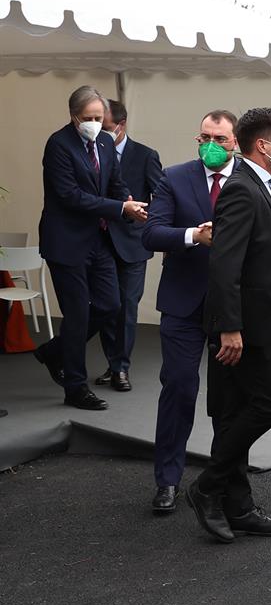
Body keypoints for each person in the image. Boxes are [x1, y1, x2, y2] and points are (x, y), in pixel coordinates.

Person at [185, 107, 271, 544]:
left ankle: (238, 505)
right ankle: (207, 487)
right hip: (243, 329)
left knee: (234, 412)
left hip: (262, 322)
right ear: (263, 145)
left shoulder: (265, 186)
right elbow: (224, 264)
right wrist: (230, 328)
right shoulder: (241, 190)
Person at [142, 110, 239, 513]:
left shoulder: (250, 179)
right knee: (179, 388)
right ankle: (167, 479)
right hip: (183, 302)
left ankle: (227, 481)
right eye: (204, 138)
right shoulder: (175, 176)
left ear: (235, 142)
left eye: (220, 139)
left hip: (231, 307)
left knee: (230, 397)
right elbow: (151, 232)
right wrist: (193, 236)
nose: (211, 146)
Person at [34, 85, 148, 411]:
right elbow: (71, 196)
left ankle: (54, 351)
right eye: (88, 118)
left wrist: (127, 199)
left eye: (100, 117)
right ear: (73, 117)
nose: (95, 123)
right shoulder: (59, 145)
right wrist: (119, 209)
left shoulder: (105, 142)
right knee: (77, 313)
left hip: (98, 240)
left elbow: (115, 181)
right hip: (66, 241)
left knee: (110, 305)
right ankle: (75, 387)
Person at [95, 99, 163, 393]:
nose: (99, 131)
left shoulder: (146, 155)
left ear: (120, 126)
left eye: (105, 126)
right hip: (98, 243)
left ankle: (121, 367)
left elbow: (160, 198)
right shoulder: (92, 152)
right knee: (105, 306)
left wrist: (147, 225)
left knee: (127, 307)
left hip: (132, 244)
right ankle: (113, 364)